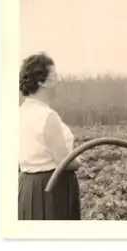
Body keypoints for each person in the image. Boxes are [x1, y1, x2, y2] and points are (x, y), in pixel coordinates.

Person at [18, 52, 81, 220]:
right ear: (41, 82)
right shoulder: (47, 116)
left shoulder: (22, 111)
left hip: (27, 187)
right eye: (54, 76)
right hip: (52, 189)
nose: (58, 81)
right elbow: (64, 162)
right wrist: (78, 162)